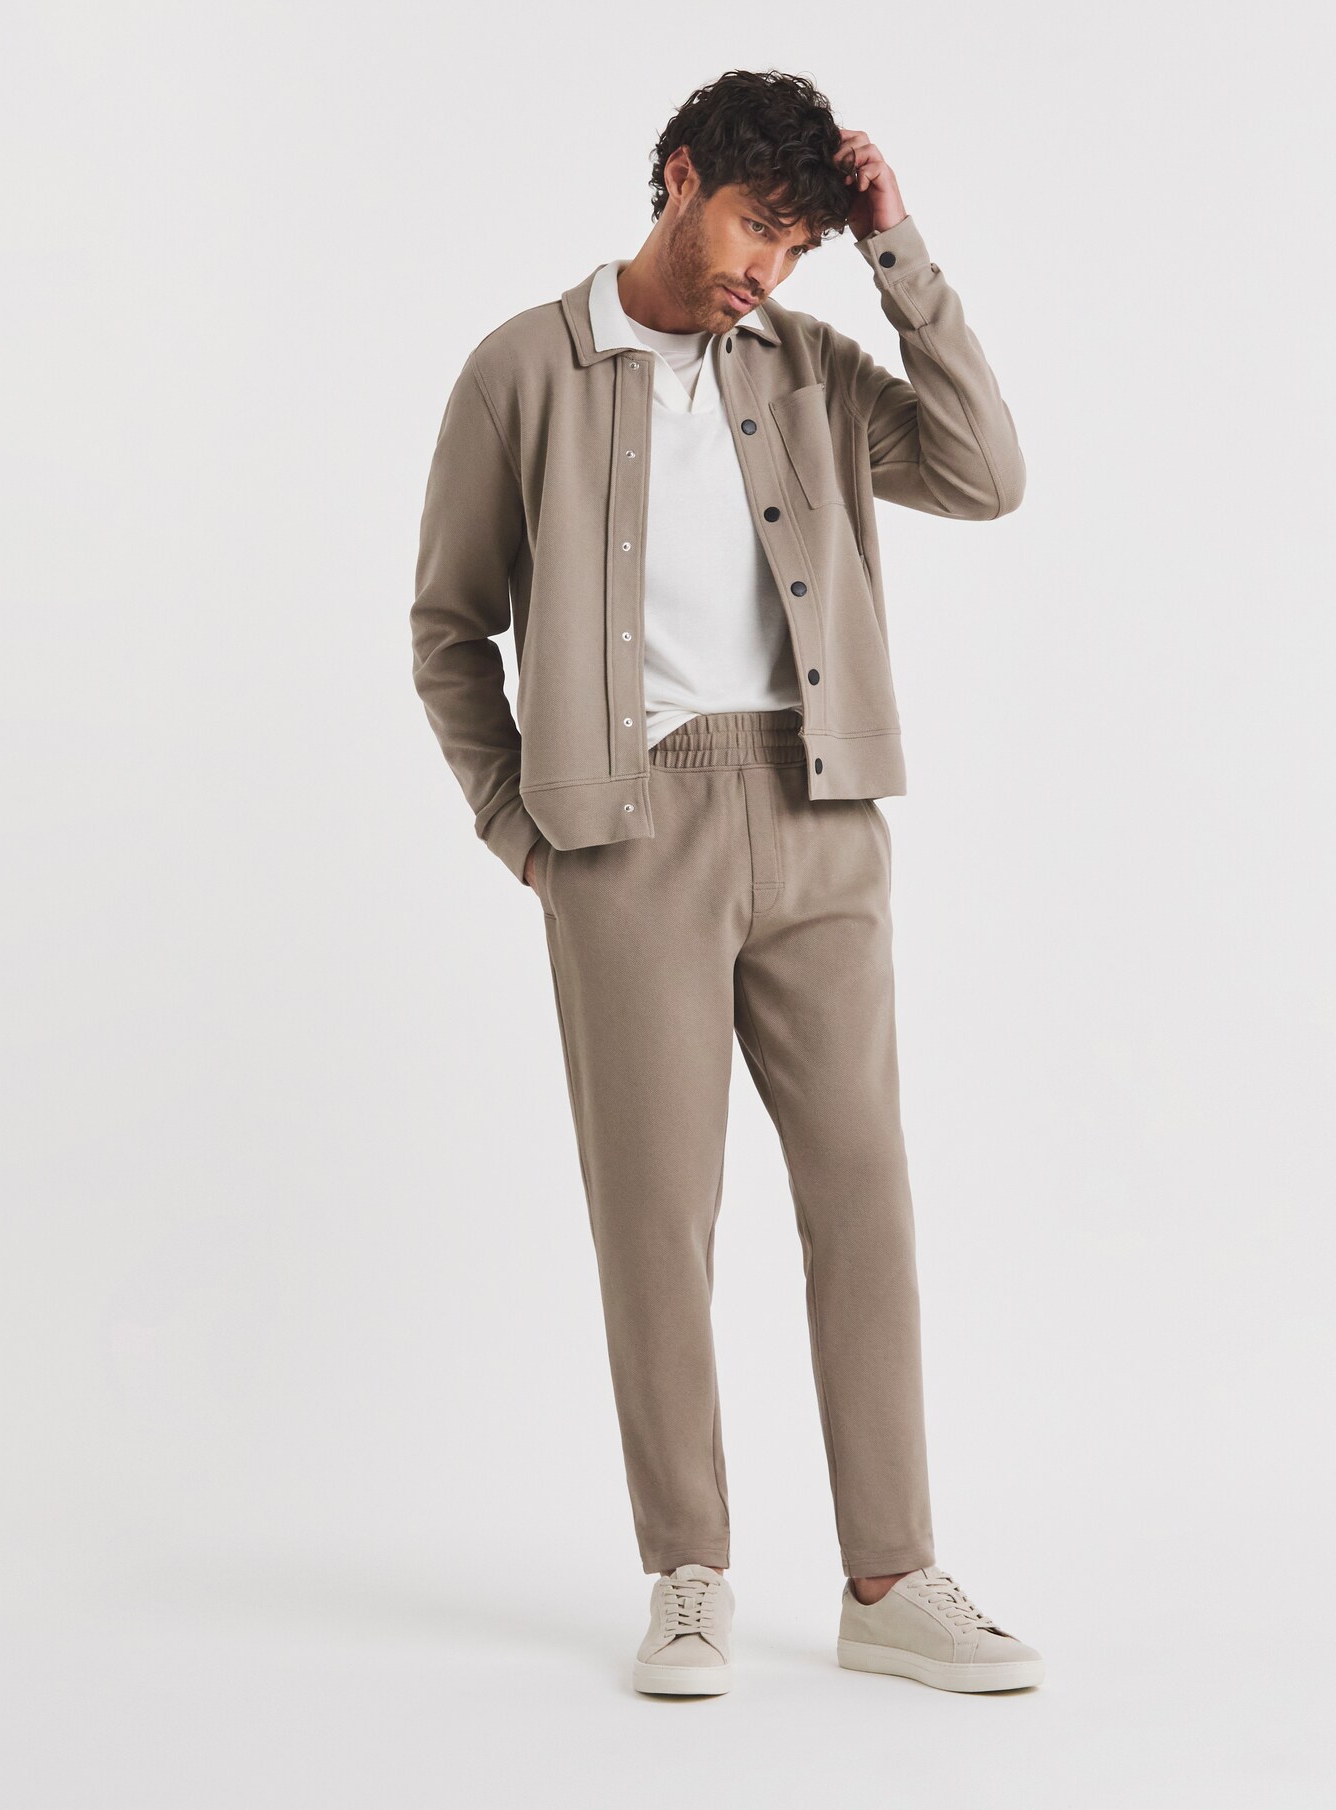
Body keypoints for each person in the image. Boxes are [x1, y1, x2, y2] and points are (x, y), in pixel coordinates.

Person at [410, 67, 1044, 1697]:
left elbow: (984, 470)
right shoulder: (522, 371)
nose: (769, 265)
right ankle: (687, 1571)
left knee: (865, 1196)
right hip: (627, 837)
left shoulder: (812, 367)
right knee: (657, 1216)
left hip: (822, 815)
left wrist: (896, 250)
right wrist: (526, 835)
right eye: (760, 223)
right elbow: (448, 631)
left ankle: (890, 1576)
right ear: (679, 177)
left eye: (800, 244)